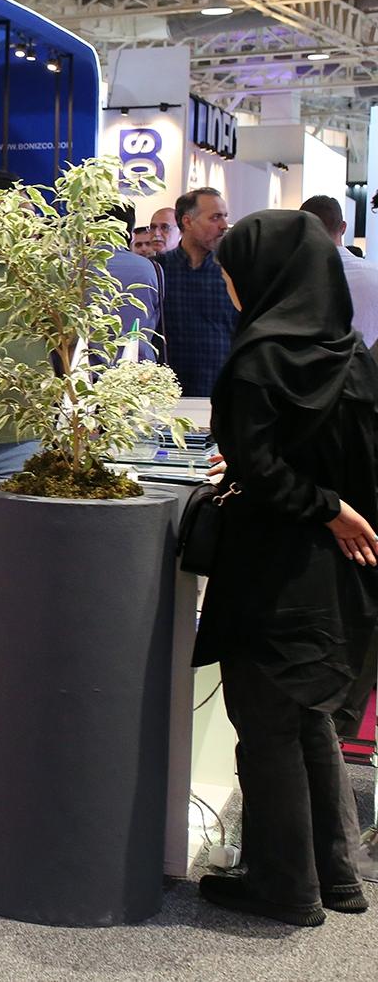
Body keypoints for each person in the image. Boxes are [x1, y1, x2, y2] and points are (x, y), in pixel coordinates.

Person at [192, 209, 378, 926]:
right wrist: (335, 508)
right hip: (340, 572)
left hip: (272, 567)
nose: (230, 288)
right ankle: (337, 875)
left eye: (233, 274)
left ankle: (284, 886)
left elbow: (265, 469)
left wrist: (320, 504)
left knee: (265, 722)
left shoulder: (258, 358)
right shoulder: (351, 355)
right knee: (311, 719)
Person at [158, 187, 234, 396]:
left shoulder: (233, 272)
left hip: (220, 393)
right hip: (166, 395)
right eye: (215, 217)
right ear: (187, 222)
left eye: (225, 216)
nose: (223, 225)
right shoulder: (159, 270)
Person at [300, 195, 378, 347]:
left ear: (301, 228)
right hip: (367, 360)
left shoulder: (288, 279)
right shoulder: (374, 274)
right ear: (343, 227)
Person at [108, 203, 162, 362]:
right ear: (130, 235)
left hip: (83, 367)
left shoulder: (76, 268)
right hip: (138, 367)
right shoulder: (153, 269)